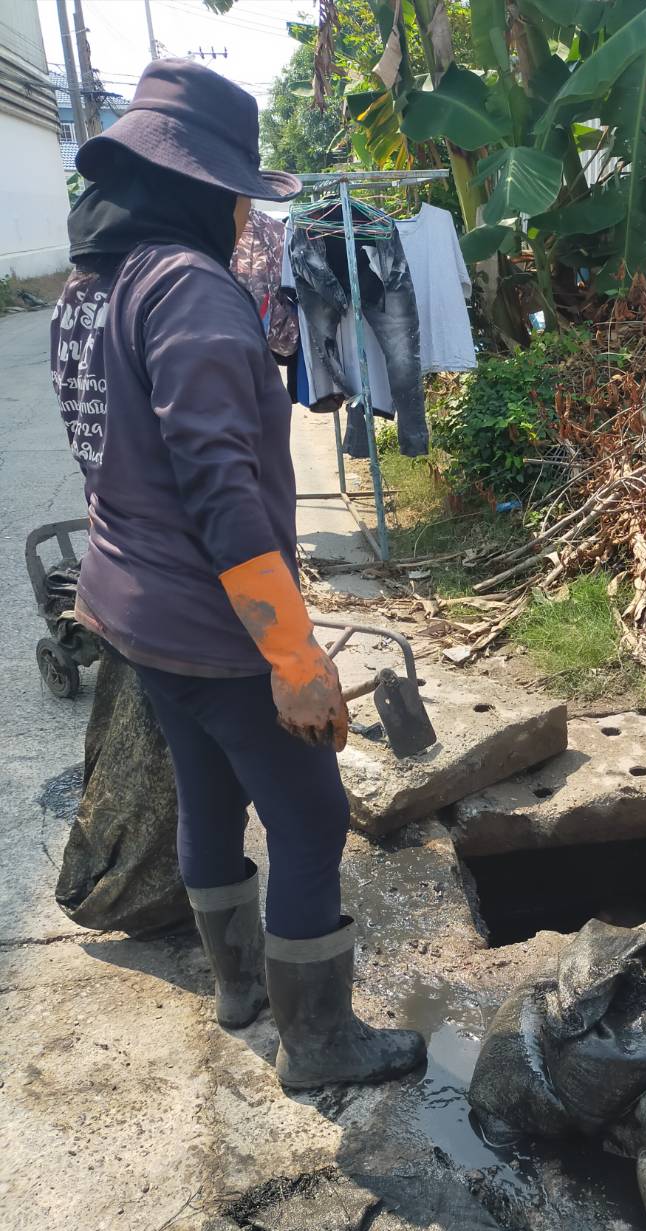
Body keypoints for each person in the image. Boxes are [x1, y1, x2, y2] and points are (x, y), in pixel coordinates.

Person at [50, 59, 425, 1091]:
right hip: (214, 626)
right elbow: (219, 490)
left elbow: (111, 453)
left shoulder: (88, 294)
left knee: (208, 795)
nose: (243, 216)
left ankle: (239, 987)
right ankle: (320, 1044)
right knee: (309, 818)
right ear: (195, 188)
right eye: (234, 195)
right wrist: (293, 655)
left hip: (131, 609)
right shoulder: (187, 291)